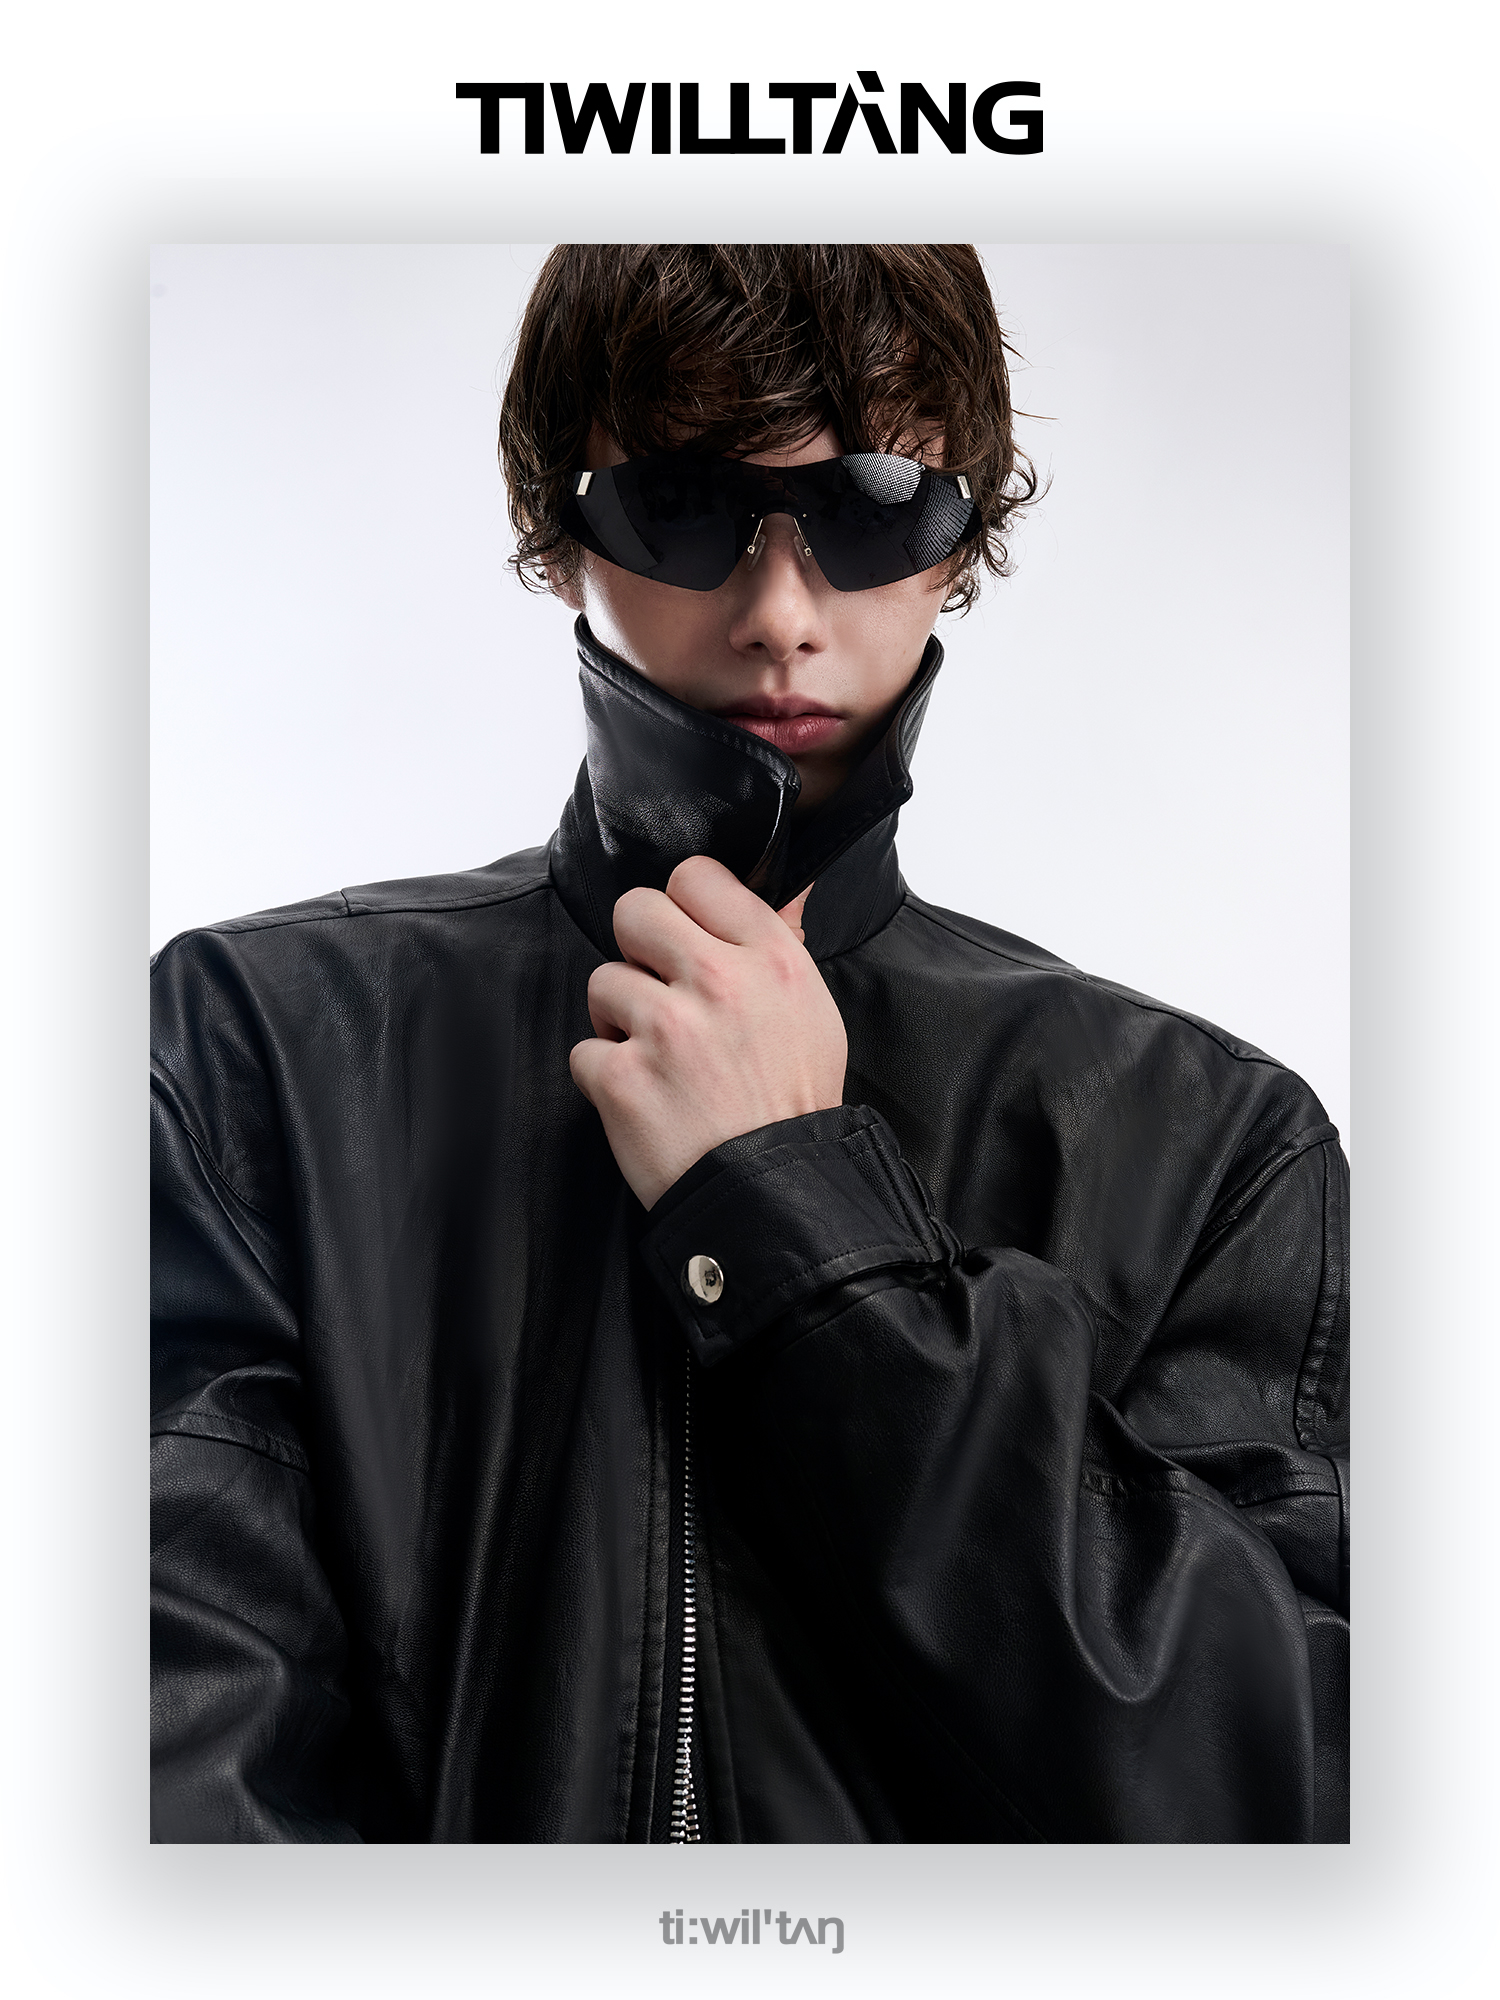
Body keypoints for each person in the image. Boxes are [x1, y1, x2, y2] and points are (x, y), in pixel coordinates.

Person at [151, 243, 1349, 1843]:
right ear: (559, 534)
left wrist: (804, 1224)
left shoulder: (1212, 1141)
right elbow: (167, 1782)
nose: (781, 615)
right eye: (685, 507)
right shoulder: (251, 1050)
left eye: (873, 508)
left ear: (959, 539)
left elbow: (1283, 1804)